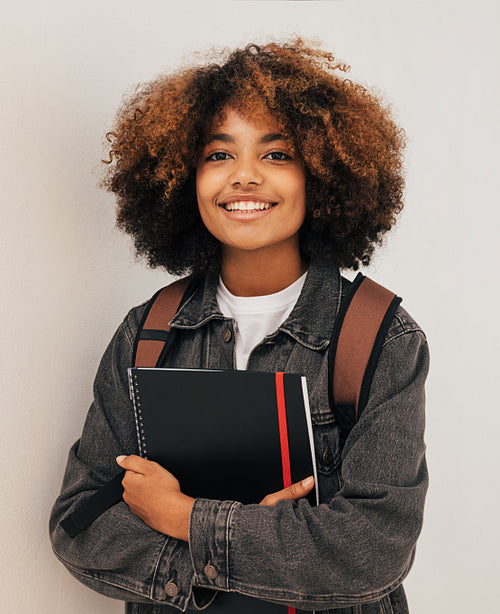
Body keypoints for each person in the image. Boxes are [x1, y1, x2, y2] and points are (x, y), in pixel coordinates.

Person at [50, 38, 429, 614]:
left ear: (321, 176)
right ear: (183, 176)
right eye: (219, 155)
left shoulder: (380, 338)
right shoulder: (148, 333)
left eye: (276, 155)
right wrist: (253, 549)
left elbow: (373, 549)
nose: (244, 178)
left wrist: (184, 517)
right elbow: (80, 523)